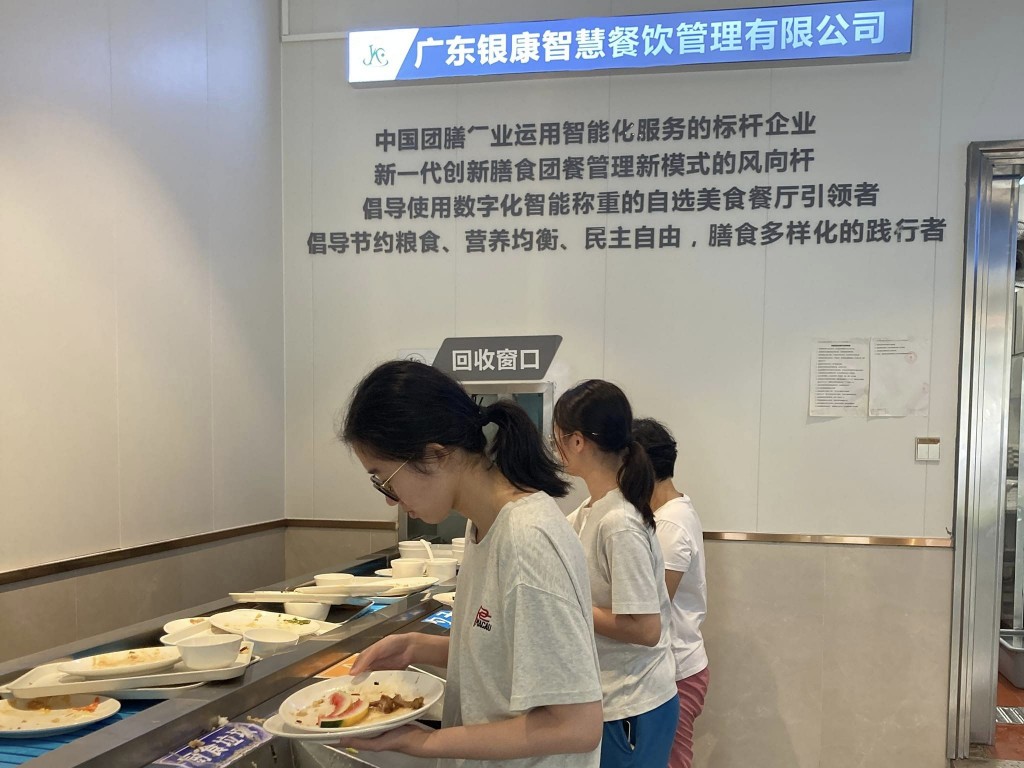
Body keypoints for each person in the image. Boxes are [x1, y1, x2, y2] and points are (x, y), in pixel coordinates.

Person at [337, 360, 603, 767]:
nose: (390, 499)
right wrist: (417, 646)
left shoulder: (527, 539)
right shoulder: (482, 525)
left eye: (385, 479)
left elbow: (576, 725)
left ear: (435, 455)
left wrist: (422, 742)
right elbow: (505, 655)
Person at [552, 380, 679, 768]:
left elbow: (646, 628)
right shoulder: (590, 511)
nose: (554, 447)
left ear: (577, 441)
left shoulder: (619, 522)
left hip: (633, 704)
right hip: (606, 698)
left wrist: (569, 608)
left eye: (557, 437)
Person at [632, 418, 709, 768]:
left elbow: (652, 610)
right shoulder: (670, 512)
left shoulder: (669, 525)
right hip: (676, 668)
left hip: (677, 671)